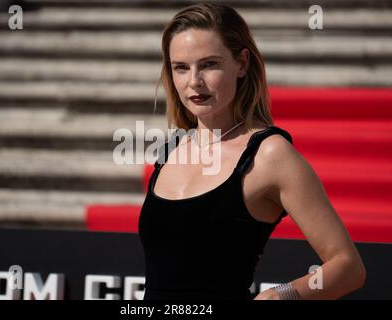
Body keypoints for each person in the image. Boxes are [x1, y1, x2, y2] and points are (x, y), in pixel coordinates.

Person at [138, 2, 365, 300]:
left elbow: (348, 267)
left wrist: (283, 295)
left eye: (209, 64)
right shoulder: (171, 149)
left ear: (242, 64)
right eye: (181, 67)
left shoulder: (270, 154)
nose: (194, 81)